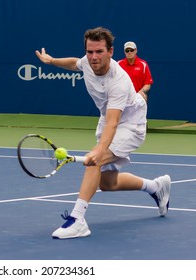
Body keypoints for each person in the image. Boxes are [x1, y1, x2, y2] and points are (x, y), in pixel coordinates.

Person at [35, 27, 171, 239]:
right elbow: (74, 63)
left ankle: (77, 219)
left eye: (99, 52)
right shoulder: (88, 62)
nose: (93, 57)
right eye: (90, 52)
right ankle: (155, 187)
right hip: (108, 118)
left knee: (95, 160)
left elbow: (114, 123)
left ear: (110, 51)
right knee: (107, 183)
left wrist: (99, 150)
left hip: (130, 124)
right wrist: (51, 61)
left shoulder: (118, 80)